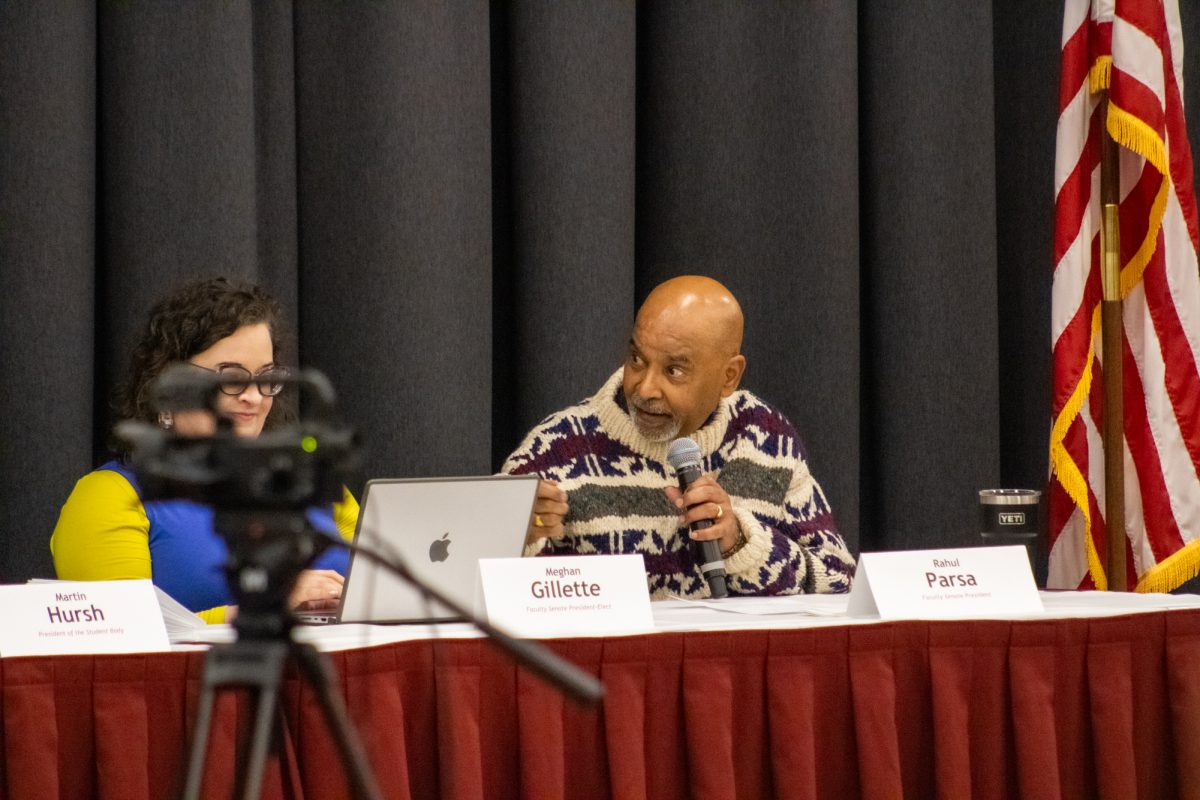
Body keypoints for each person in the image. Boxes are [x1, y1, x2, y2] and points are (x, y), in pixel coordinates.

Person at [502, 275, 854, 597]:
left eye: (674, 370)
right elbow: (484, 595)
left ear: (729, 377)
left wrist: (741, 544)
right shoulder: (555, 449)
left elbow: (840, 582)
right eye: (637, 359)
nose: (645, 388)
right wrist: (518, 539)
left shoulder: (765, 436)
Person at [50, 277, 356, 623]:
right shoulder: (109, 497)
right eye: (230, 377)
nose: (253, 397)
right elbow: (123, 641)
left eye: (265, 376)